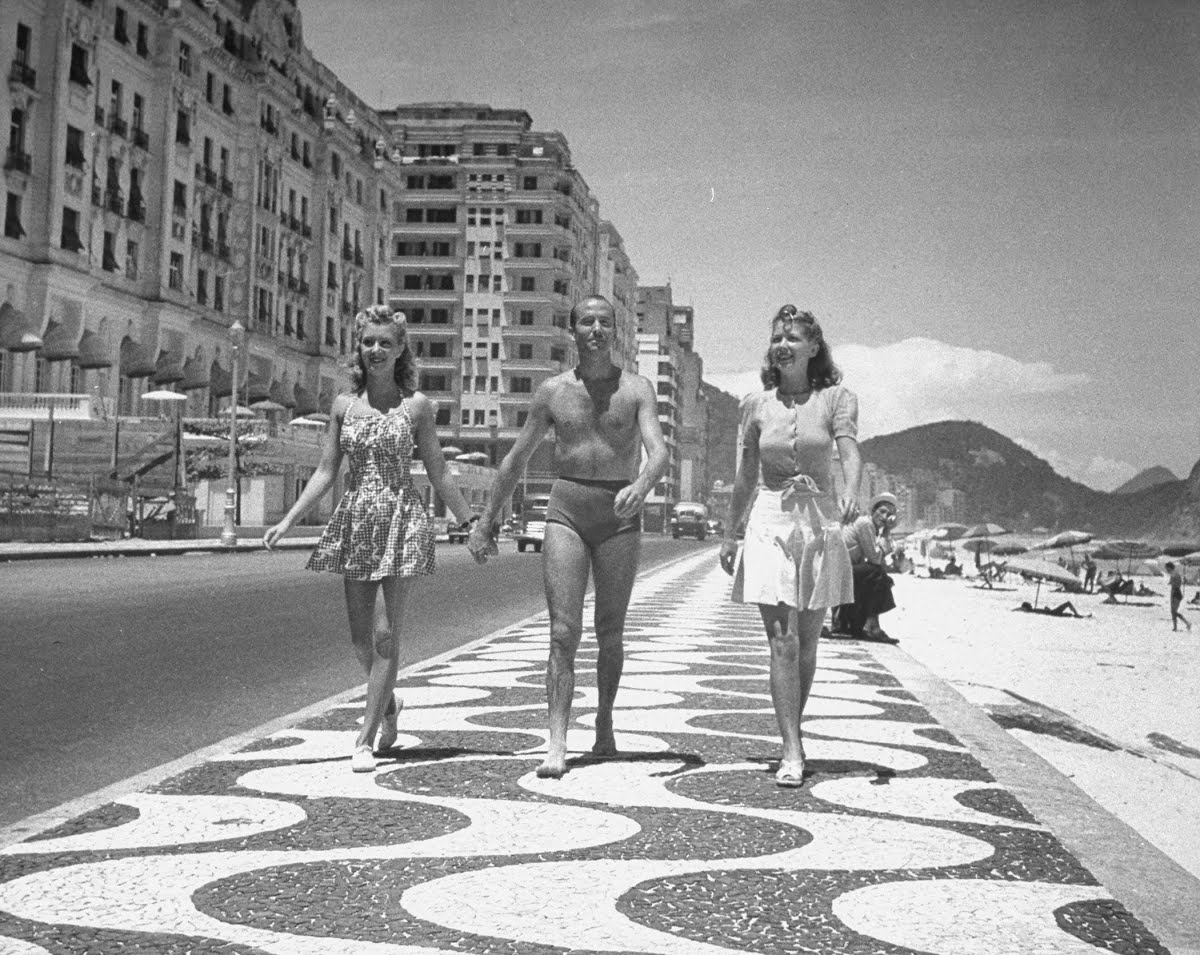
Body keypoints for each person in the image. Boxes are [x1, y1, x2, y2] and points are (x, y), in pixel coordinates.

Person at [263, 305, 477, 773]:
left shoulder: (416, 407)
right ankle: (389, 705)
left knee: (384, 637)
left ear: (401, 350)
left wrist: (469, 522)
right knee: (361, 641)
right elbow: (326, 470)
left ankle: (364, 738)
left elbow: (438, 471)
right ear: (358, 349)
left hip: (400, 520)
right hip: (357, 520)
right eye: (368, 342)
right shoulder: (344, 406)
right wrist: (290, 520)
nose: (376, 350)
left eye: (385, 343)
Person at [466, 295, 668, 779]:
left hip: (619, 510)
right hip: (568, 509)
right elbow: (516, 458)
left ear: (614, 332)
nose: (596, 329)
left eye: (604, 322)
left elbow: (657, 451)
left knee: (610, 630)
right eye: (587, 322)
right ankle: (556, 739)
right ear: (573, 330)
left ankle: (603, 721)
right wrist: (485, 520)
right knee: (562, 631)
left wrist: (641, 487)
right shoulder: (552, 392)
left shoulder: (637, 389)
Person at [719, 305, 860, 787]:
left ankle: (791, 735)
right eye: (777, 338)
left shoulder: (838, 398)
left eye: (793, 339)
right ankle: (792, 750)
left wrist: (850, 491)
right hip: (770, 520)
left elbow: (849, 451)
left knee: (807, 644)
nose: (782, 345)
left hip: (819, 521)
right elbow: (743, 477)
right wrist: (730, 531)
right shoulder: (754, 406)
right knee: (783, 641)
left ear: (814, 347)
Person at [835, 492, 898, 642]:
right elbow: (875, 559)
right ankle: (872, 625)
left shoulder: (870, 527)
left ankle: (857, 624)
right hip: (838, 571)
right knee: (876, 573)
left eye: (888, 514)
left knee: (878, 576)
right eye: (882, 511)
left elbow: (874, 558)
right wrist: (887, 532)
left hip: (843, 570)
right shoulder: (865, 524)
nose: (884, 516)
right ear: (873, 511)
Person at [1166, 562, 1191, 631]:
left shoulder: (1174, 574)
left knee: (1174, 611)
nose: (1166, 570)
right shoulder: (1173, 574)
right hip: (1174, 593)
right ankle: (1175, 627)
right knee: (1173, 611)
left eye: (1167, 568)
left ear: (1170, 568)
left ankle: (1187, 623)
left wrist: (1172, 583)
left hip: (1176, 593)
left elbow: (1177, 584)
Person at [1014, 600, 1089, 618]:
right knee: (1068, 603)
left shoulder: (1033, 610)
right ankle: (1077, 615)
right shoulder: (1030, 611)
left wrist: (1046, 609)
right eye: (1029, 605)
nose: (1031, 605)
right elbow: (1020, 609)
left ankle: (1077, 615)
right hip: (1053, 612)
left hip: (1052, 612)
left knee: (1069, 615)